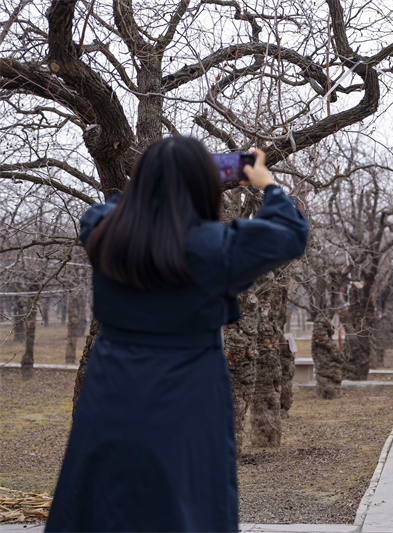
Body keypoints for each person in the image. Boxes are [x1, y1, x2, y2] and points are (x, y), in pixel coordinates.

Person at [45, 137, 308, 532]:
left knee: (104, 498)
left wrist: (157, 178)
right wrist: (262, 180)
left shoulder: (103, 233)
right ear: (200, 185)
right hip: (188, 392)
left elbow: (109, 208)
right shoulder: (218, 248)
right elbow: (289, 232)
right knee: (186, 502)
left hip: (112, 387)